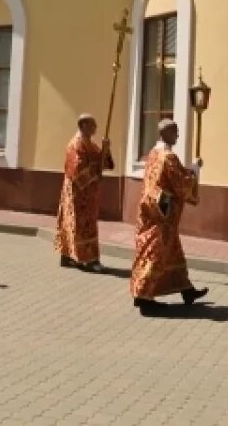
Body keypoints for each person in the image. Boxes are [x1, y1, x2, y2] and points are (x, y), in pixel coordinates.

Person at [129, 120, 208, 312]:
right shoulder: (168, 157)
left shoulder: (153, 154)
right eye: (176, 132)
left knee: (173, 252)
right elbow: (181, 183)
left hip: (151, 208)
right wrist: (195, 169)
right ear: (166, 133)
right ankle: (144, 298)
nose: (178, 136)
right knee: (155, 253)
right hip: (164, 212)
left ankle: (186, 290)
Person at [55, 114, 114, 273]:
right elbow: (78, 171)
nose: (96, 127)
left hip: (89, 194)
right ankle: (87, 260)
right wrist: (96, 172)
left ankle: (71, 256)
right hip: (77, 193)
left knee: (84, 225)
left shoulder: (90, 144)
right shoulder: (75, 144)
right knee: (79, 225)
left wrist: (106, 150)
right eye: (93, 124)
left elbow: (103, 163)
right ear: (84, 125)